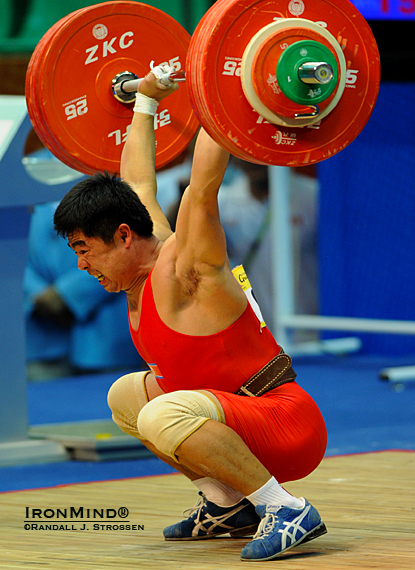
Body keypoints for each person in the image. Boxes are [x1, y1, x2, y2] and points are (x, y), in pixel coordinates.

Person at [53, 65, 327, 562]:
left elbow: (202, 186)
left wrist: (224, 93)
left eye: (84, 250)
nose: (82, 265)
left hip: (285, 423)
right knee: (126, 396)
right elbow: (136, 177)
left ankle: (286, 508)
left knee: (163, 412)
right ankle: (230, 505)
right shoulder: (138, 248)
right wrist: (146, 100)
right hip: (234, 418)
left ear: (121, 236)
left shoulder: (190, 266)